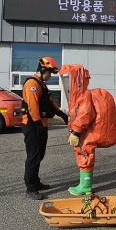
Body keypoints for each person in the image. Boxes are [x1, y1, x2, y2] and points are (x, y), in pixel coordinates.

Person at [59, 64, 116, 195]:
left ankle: (85, 186)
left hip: (83, 133)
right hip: (83, 132)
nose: (66, 83)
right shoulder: (77, 96)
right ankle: (84, 184)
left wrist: (75, 132)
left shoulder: (83, 96)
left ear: (76, 80)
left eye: (68, 79)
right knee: (83, 154)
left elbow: (85, 114)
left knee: (84, 155)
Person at [21, 57, 69, 200]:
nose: (50, 76)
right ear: (43, 70)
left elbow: (50, 101)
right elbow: (33, 107)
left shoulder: (41, 84)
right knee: (33, 157)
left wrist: (62, 114)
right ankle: (31, 188)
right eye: (49, 73)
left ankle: (36, 182)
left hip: (41, 125)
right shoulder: (32, 84)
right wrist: (37, 125)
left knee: (39, 156)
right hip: (33, 126)